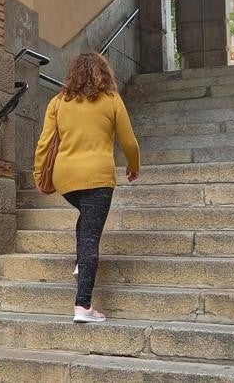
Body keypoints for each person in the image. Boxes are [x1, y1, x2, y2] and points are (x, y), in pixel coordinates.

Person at [32, 52, 140, 324]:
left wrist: (38, 174)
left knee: (86, 224)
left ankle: (82, 261)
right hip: (98, 178)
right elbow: (129, 141)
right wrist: (133, 165)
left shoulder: (58, 102)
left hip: (66, 179)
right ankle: (83, 306)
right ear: (103, 73)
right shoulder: (112, 100)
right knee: (91, 236)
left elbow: (44, 144)